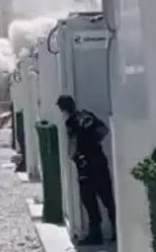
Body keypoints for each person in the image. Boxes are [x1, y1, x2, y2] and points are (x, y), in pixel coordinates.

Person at [57, 94, 116, 245]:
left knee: (90, 201)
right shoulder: (87, 115)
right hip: (99, 160)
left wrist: (72, 155)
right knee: (107, 198)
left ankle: (96, 235)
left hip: (85, 165)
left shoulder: (71, 122)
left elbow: (73, 142)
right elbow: (104, 130)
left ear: (64, 109)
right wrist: (93, 143)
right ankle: (117, 230)